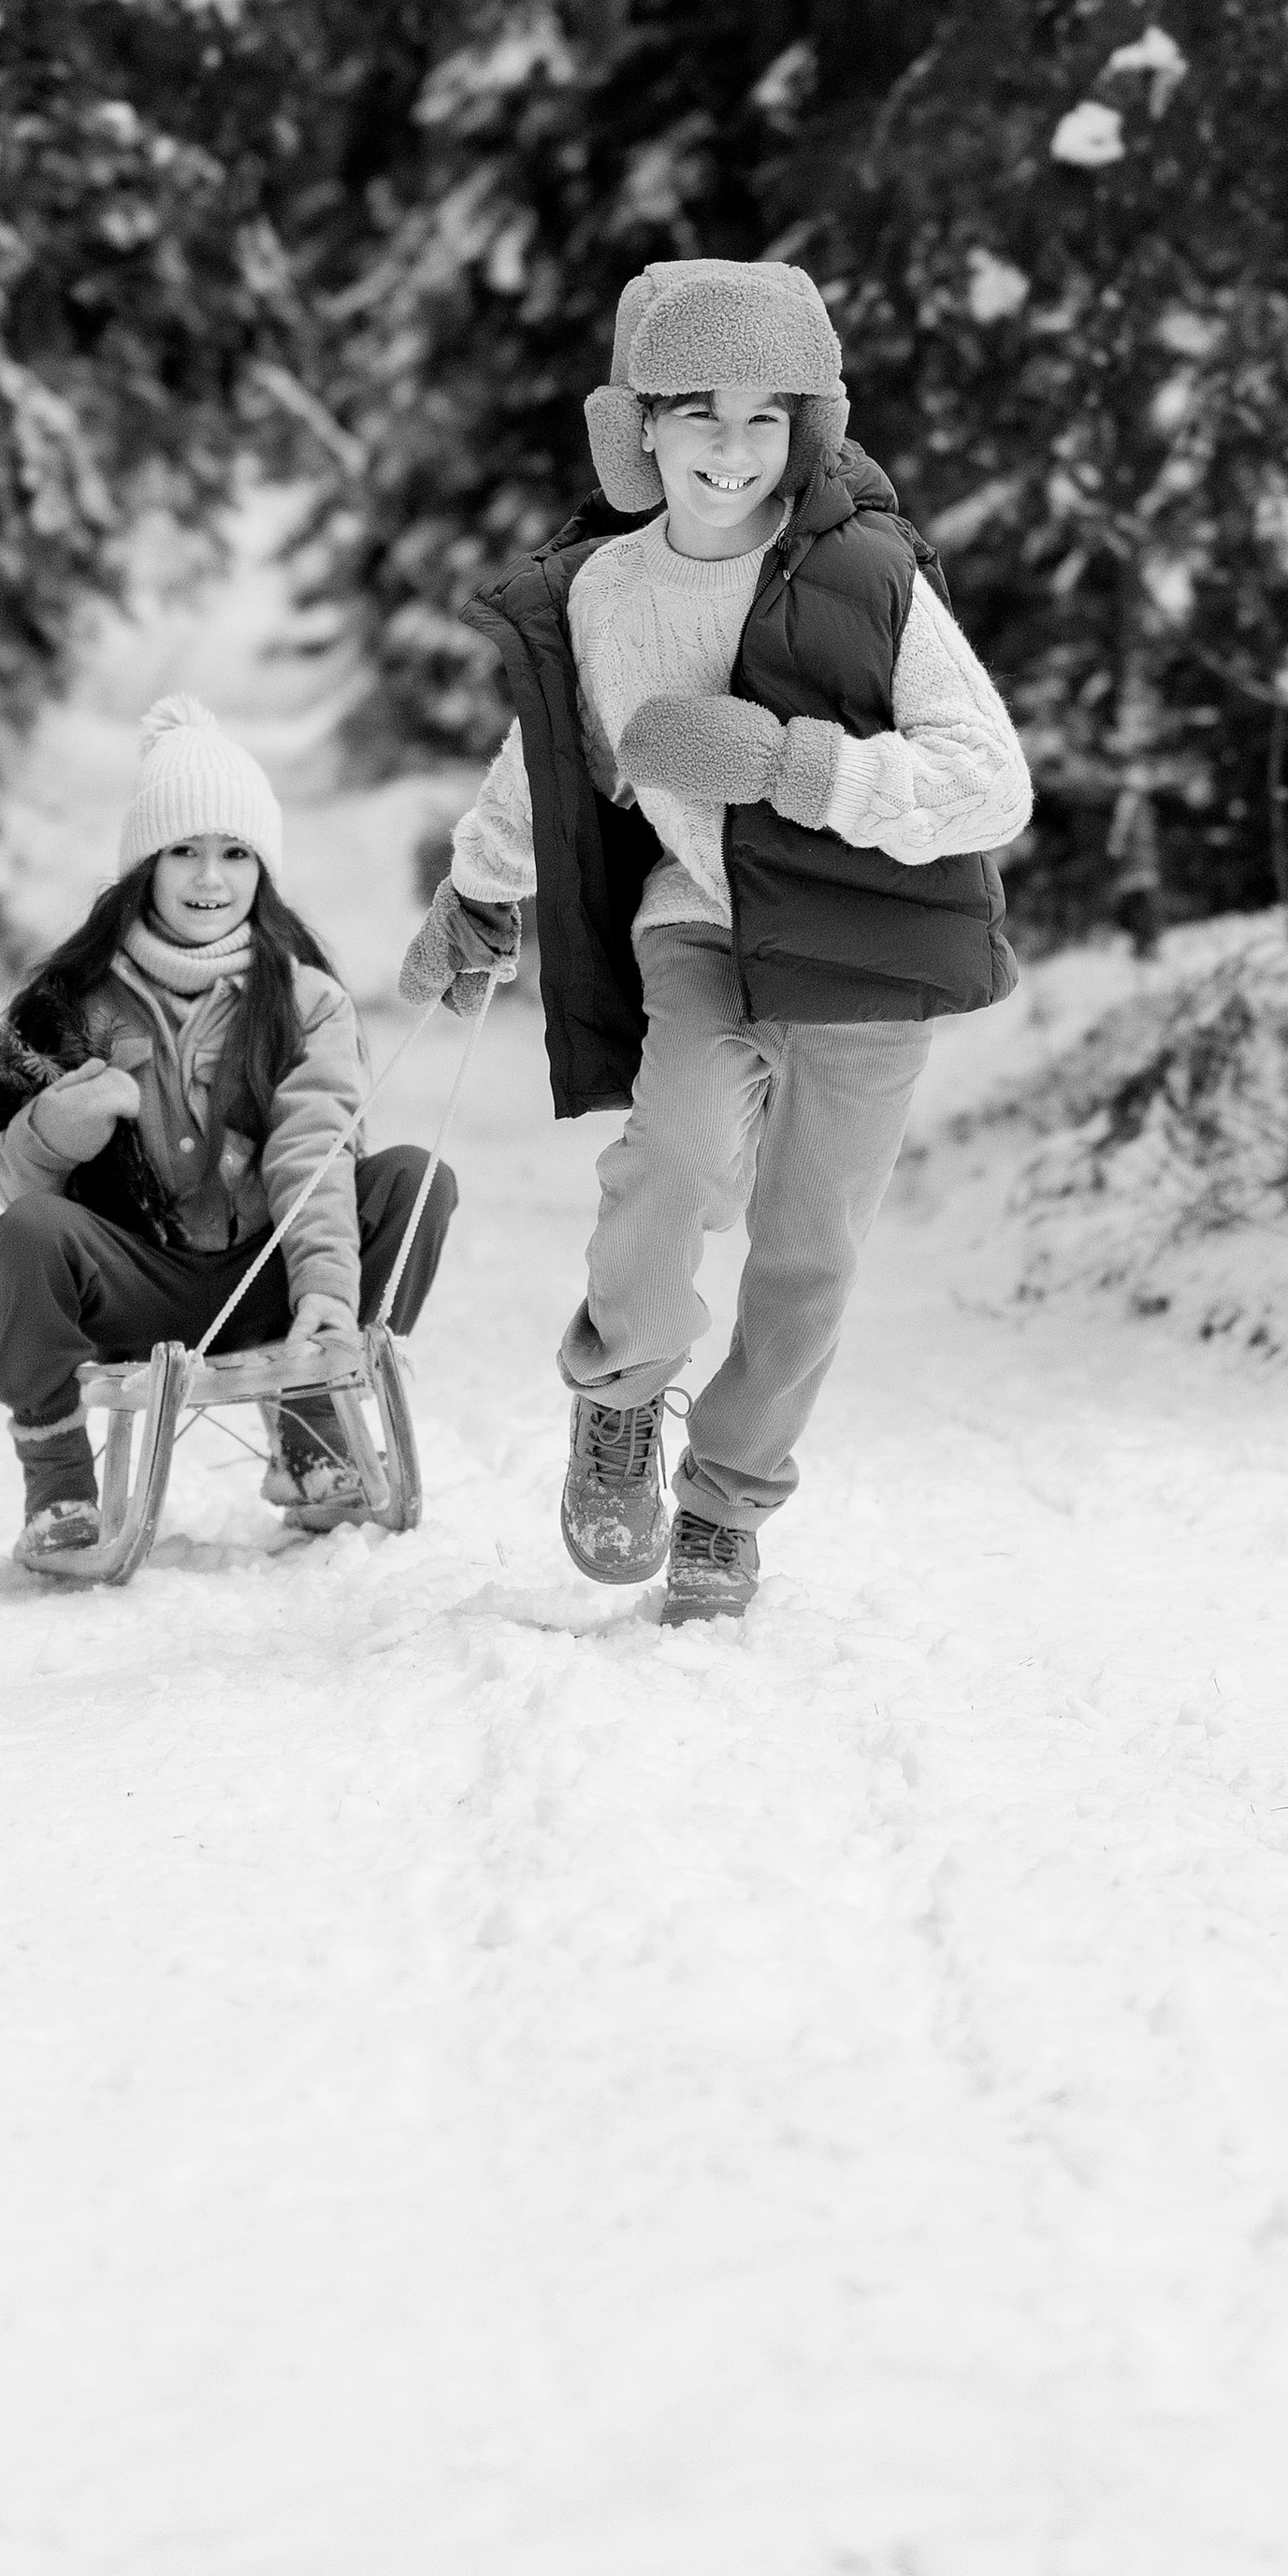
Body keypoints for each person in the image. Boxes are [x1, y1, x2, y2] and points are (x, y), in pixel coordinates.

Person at [401, 255, 1032, 1626]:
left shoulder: (872, 579)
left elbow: (991, 781)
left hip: (867, 955)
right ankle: (621, 1398)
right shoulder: (606, 594)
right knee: (670, 1157)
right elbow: (550, 764)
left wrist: (802, 768)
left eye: (765, 415)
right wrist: (479, 887)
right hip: (694, 922)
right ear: (636, 423)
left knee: (810, 1250)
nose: (732, 449)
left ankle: (727, 1505)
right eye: (697, 412)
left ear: (807, 423)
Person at [0, 697, 456, 1571]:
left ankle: (315, 1420)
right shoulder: (75, 1002)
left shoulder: (305, 1000)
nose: (211, 878)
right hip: (138, 1283)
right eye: (185, 852)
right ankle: (58, 1488)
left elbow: (316, 1153)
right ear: (145, 866)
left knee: (414, 1181)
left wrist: (322, 1289)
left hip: (270, 1273)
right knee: (25, 1234)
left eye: (235, 853)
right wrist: (58, 1125)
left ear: (262, 869)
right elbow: (10, 1187)